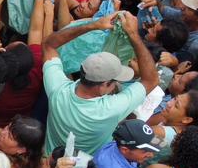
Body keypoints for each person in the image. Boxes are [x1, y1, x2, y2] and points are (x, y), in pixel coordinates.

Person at [41, 12, 157, 154]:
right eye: (114, 82)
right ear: (103, 85)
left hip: (49, 158)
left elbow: (49, 45)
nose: (116, 85)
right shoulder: (111, 109)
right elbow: (151, 80)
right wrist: (133, 35)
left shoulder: (57, 90)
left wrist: (93, 25)